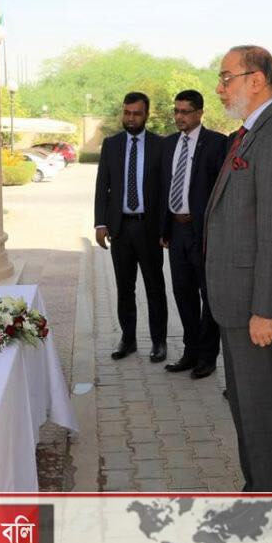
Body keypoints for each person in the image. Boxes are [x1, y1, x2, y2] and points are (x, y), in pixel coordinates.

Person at [204, 45, 272, 491]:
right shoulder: (252, 132)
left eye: (226, 77)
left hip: (256, 309)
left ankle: (271, 506)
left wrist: (265, 309)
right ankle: (258, 493)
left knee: (262, 414)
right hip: (238, 303)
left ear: (257, 80)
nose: (220, 88)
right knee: (246, 410)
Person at [94, 92, 169, 362]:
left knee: (155, 288)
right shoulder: (111, 144)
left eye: (136, 113)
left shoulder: (161, 145)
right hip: (121, 229)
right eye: (127, 113)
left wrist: (165, 228)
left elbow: (165, 190)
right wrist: (100, 223)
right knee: (124, 288)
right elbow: (102, 185)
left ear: (146, 114)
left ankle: (159, 342)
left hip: (149, 229)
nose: (131, 118)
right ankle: (128, 339)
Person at [159, 89, 228, 378]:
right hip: (177, 232)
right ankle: (190, 351)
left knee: (208, 296)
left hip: (204, 233)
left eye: (185, 112)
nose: (179, 117)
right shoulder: (168, 144)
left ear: (199, 113)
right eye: (176, 111)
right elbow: (162, 187)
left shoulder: (217, 143)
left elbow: (223, 190)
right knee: (183, 293)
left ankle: (208, 356)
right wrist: (164, 228)